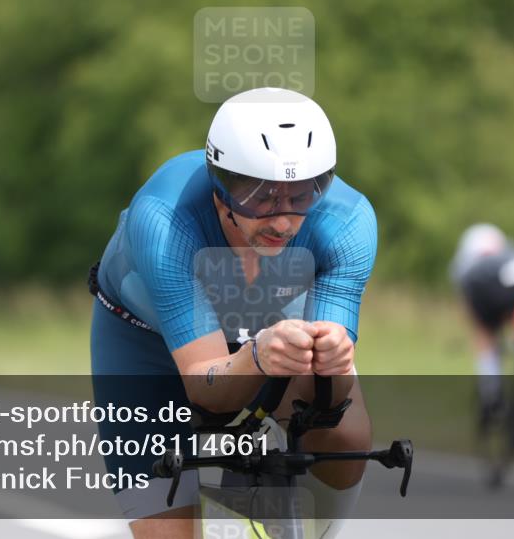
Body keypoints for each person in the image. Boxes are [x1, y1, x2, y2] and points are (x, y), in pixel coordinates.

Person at [90, 88, 378, 539]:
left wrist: (334, 364)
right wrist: (258, 356)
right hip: (146, 342)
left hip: (271, 325)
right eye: (261, 197)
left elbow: (328, 399)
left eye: (302, 195)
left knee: (345, 437)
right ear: (221, 187)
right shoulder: (165, 220)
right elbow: (207, 389)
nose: (283, 221)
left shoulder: (348, 222)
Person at [449, 223, 514, 487]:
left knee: (486, 340)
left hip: (489, 296)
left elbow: (472, 309)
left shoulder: (468, 268)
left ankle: (491, 391)